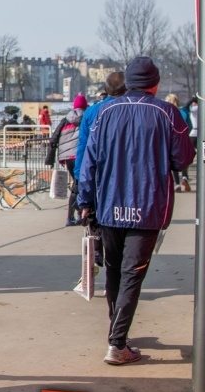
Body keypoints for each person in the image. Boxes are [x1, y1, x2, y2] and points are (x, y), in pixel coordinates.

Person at [78, 56, 194, 365]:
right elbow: (182, 159)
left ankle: (116, 336)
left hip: (109, 205)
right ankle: (117, 344)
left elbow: (89, 162)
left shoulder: (103, 113)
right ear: (155, 84)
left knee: (115, 271)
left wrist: (85, 202)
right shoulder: (168, 113)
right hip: (148, 206)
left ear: (128, 82)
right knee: (132, 274)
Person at [73, 72, 126, 266]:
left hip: (96, 176)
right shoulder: (131, 110)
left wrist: (79, 177)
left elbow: (83, 147)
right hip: (122, 177)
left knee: (94, 219)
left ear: (105, 90)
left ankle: (97, 255)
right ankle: (115, 265)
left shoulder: (93, 111)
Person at [47, 94, 87, 226]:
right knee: (79, 185)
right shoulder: (88, 118)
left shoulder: (65, 119)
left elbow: (53, 138)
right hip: (80, 157)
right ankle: (76, 214)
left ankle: (73, 215)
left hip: (67, 158)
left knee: (77, 184)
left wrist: (50, 158)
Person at [164, 94, 193, 192]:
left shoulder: (165, 111)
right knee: (183, 159)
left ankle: (177, 183)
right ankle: (184, 177)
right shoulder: (183, 111)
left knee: (172, 161)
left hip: (169, 140)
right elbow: (190, 125)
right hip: (183, 139)